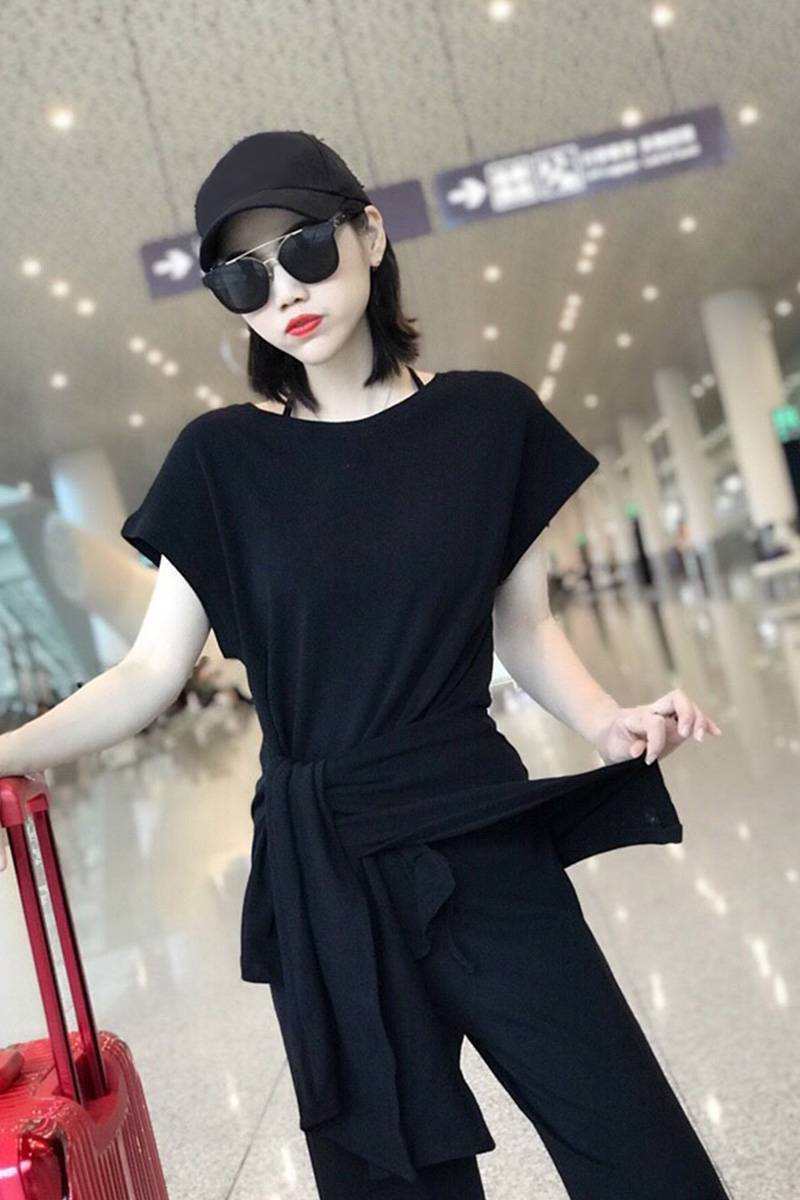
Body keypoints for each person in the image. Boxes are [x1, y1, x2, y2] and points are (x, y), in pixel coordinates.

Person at [0, 130, 729, 1200]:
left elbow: (524, 629)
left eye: (303, 248)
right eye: (243, 276)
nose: (283, 291)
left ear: (370, 234)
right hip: (324, 869)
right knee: (392, 1183)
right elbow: (150, 676)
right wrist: (5, 747)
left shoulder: (488, 421)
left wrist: (604, 720)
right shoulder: (220, 461)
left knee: (635, 1149)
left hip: (477, 836)